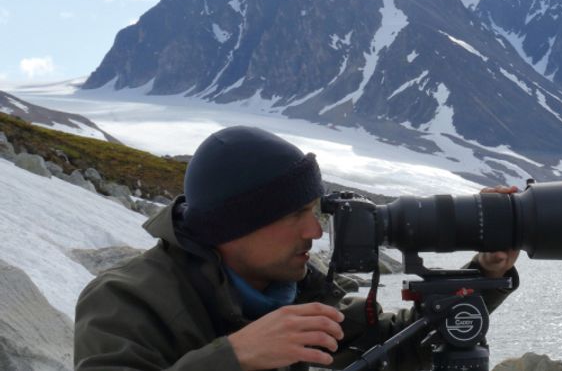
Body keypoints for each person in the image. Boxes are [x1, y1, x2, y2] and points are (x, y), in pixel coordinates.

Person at [73, 126, 520, 371]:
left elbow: (400, 346)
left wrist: (487, 271)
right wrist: (233, 358)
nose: (314, 231)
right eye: (294, 215)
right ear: (233, 226)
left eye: (314, 210)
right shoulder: (126, 301)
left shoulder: (306, 291)